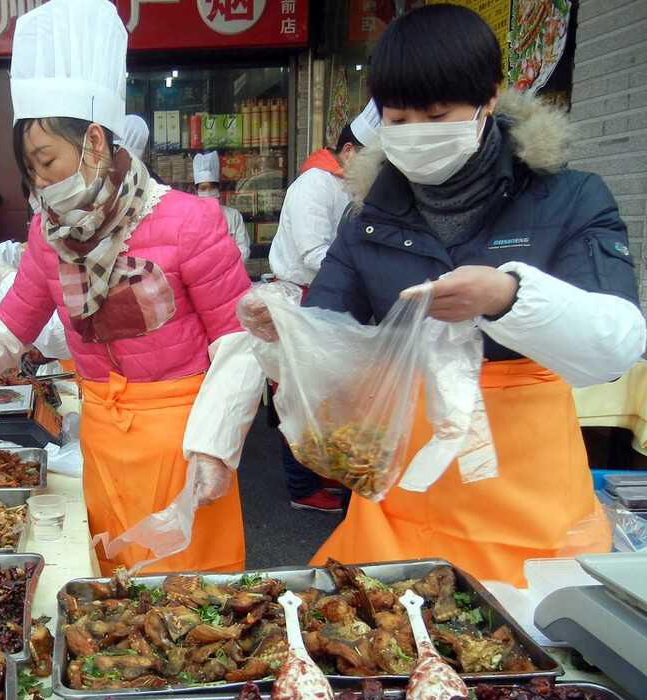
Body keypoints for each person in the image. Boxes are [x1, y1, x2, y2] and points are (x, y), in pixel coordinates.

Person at [243, 3, 644, 586]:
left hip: (524, 490)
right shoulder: (368, 217)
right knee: (380, 640)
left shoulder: (570, 198)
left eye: (435, 115)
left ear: (491, 96)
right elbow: (331, 332)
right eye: (397, 121)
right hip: (402, 487)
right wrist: (287, 331)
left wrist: (510, 297)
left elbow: (617, 346)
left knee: (521, 655)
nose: (414, 135)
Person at [0, 0, 263, 575]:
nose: (38, 183)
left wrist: (216, 443)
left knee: (188, 603)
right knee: (112, 592)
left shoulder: (189, 221)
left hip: (183, 437)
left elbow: (239, 342)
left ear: (97, 144)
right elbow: (12, 323)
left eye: (48, 161)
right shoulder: (47, 234)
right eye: (29, 169)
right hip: (103, 440)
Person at [265, 121, 365, 514]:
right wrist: (363, 272)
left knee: (328, 398)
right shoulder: (314, 185)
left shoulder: (343, 183)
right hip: (303, 300)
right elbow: (313, 254)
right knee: (298, 398)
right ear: (350, 152)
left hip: (325, 299)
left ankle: (322, 470)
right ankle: (302, 487)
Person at [192, 150, 251, 265]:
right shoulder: (190, 218)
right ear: (196, 191)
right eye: (203, 188)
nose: (208, 192)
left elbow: (243, 247)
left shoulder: (233, 215)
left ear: (218, 189)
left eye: (212, 187)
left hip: (231, 272)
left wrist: (228, 266)